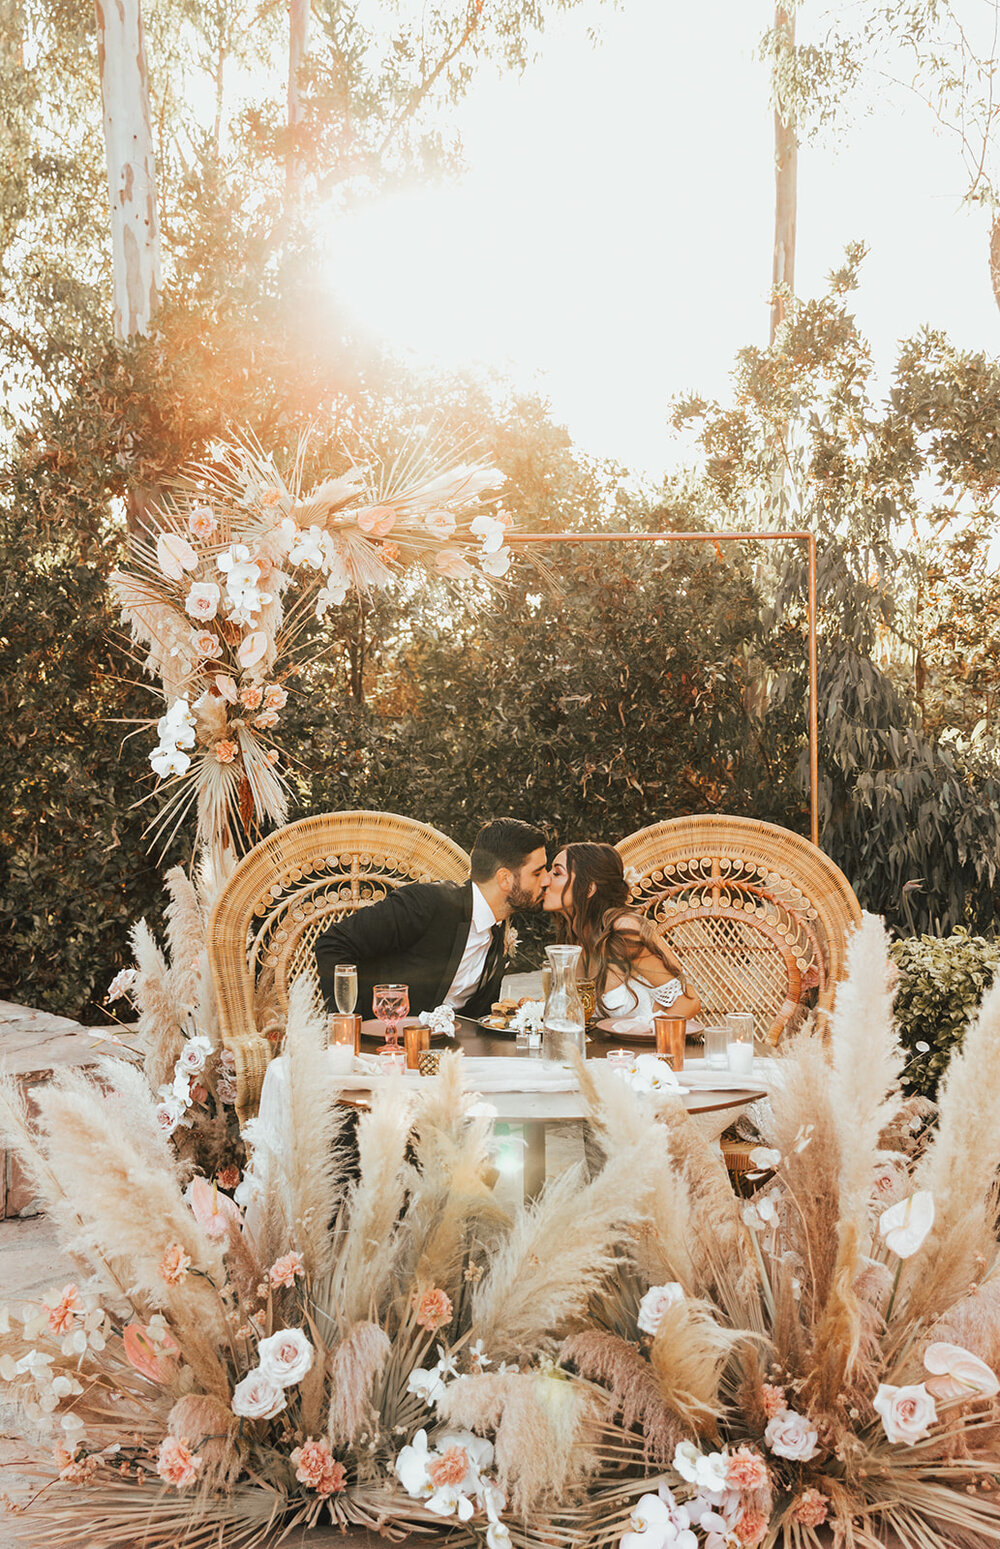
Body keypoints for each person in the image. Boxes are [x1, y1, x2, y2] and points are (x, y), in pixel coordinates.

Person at [315, 818, 549, 1020]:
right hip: (385, 1048)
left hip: (453, 1057)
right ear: (505, 879)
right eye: (538, 872)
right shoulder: (428, 904)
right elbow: (334, 943)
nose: (546, 880)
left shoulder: (499, 929)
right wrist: (350, 1022)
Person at [542, 841, 701, 1020]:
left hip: (650, 1045)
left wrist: (644, 1037)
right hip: (600, 1048)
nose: (545, 880)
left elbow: (689, 1003)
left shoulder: (624, 931)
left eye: (556, 873)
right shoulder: (573, 937)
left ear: (588, 889)